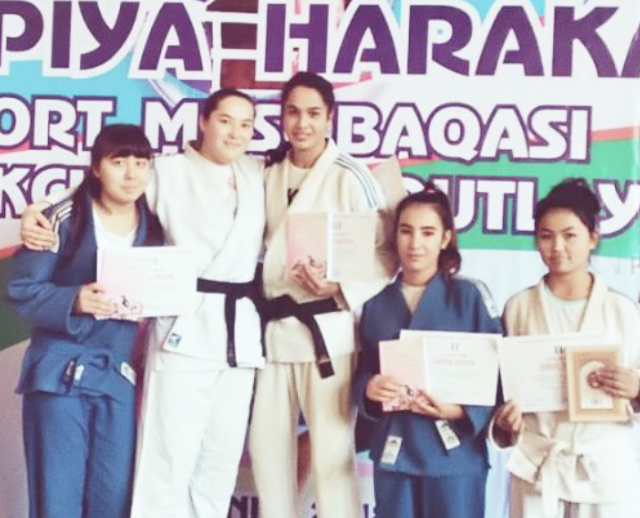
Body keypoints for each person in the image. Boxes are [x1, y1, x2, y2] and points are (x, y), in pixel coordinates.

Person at [19, 89, 266, 518]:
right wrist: (36, 212)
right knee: (151, 468)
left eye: (246, 124)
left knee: (199, 468)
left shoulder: (254, 174)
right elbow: (93, 193)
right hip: (136, 343)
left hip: (183, 351)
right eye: (225, 120)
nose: (235, 133)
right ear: (203, 121)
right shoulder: (163, 172)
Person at [248, 71, 396, 518]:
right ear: (281, 116)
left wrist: (340, 287)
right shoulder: (268, 172)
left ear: (330, 117)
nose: (302, 123)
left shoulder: (351, 175)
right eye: (293, 112)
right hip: (276, 331)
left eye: (313, 113)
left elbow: (388, 252)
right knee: (267, 452)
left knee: (332, 458)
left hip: (327, 332)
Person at [6, 124, 162, 518]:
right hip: (60, 374)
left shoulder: (156, 224)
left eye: (141, 162)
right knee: (57, 498)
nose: (131, 173)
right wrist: (73, 300)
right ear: (95, 168)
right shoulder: (62, 217)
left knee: (112, 499)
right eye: (118, 162)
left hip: (116, 377)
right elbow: (20, 290)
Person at [492, 178, 640, 518]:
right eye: (546, 235)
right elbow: (500, 389)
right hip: (539, 464)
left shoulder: (623, 311)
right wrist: (504, 420)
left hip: (603, 469)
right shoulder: (518, 308)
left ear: (593, 238)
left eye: (570, 235)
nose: (557, 246)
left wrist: (636, 387)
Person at [352, 184, 502, 518]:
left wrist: (460, 411)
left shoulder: (469, 296)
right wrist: (370, 387)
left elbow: (498, 374)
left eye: (428, 232)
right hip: (396, 449)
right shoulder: (374, 300)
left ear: (445, 238)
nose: (415, 243)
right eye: (406, 231)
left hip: (454, 454)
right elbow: (361, 369)